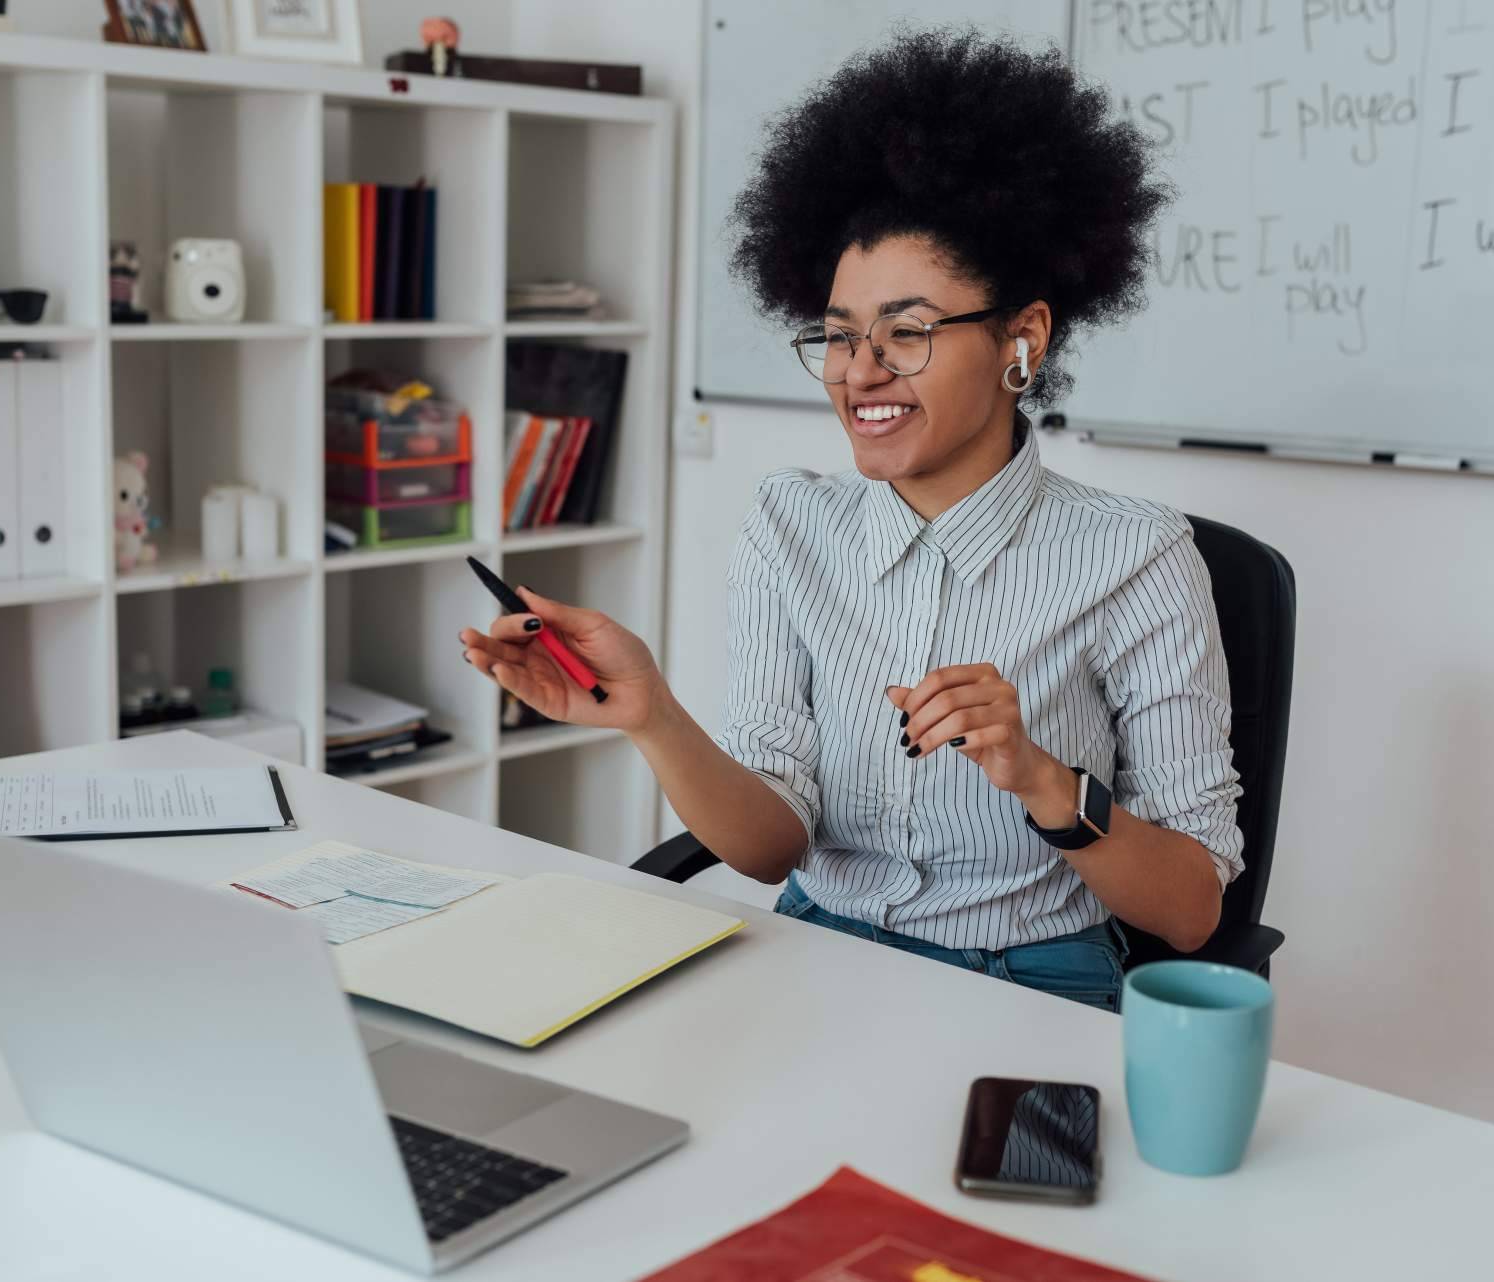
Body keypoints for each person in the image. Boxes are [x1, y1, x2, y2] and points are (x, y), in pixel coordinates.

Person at [459, 27, 1242, 1011]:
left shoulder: (1136, 557)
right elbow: (770, 844)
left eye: (907, 332)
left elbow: (1193, 913)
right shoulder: (791, 525)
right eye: (837, 336)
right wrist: (649, 713)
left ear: (1023, 338)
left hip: (1032, 986)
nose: (859, 371)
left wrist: (1044, 780)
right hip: (818, 960)